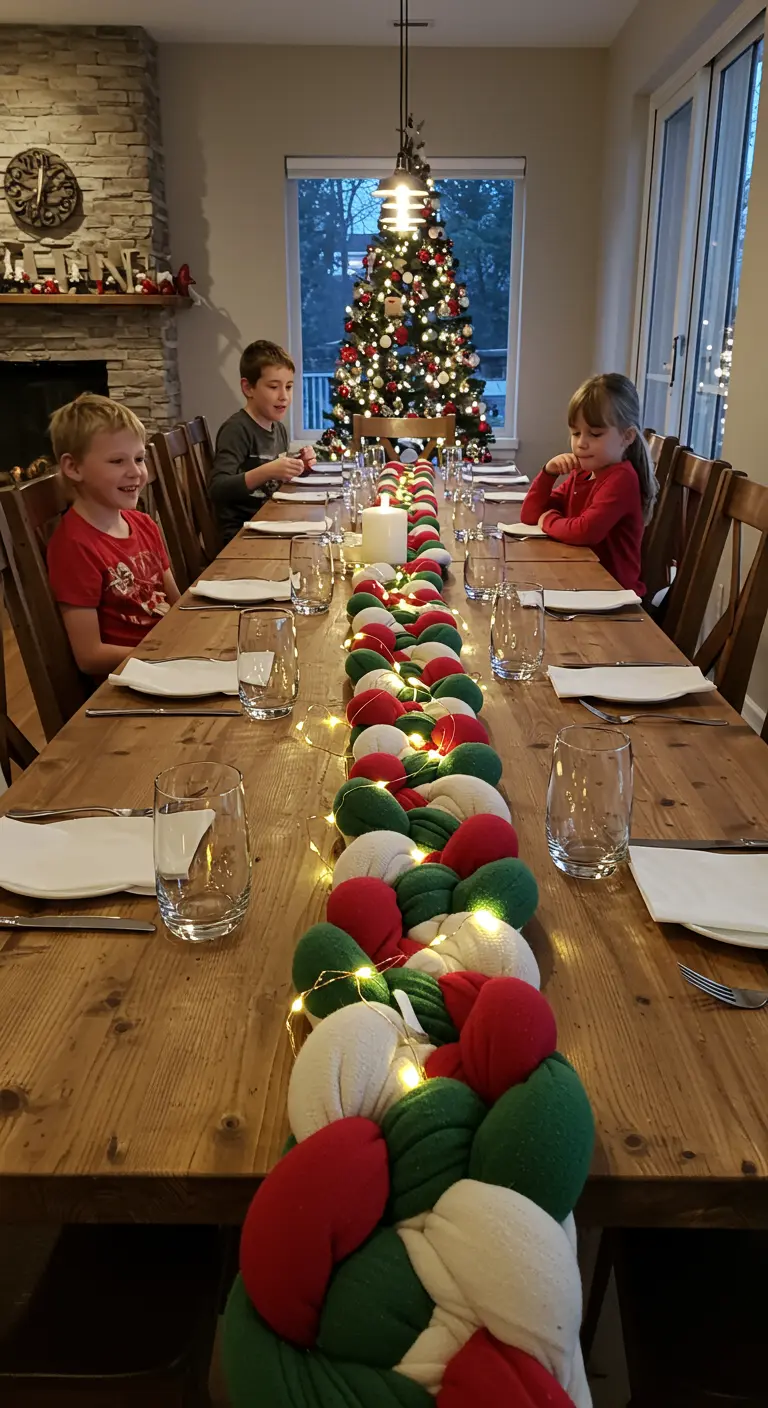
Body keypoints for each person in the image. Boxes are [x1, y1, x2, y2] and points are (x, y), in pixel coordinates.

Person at [47, 393, 180, 677]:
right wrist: (166, 652)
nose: (136, 472)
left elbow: (176, 604)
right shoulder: (75, 546)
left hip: (170, 657)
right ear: (73, 467)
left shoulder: (144, 524)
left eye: (139, 458)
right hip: (133, 680)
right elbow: (90, 656)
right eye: (117, 461)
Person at [520, 373, 657, 595]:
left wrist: (548, 519)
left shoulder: (622, 479)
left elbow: (585, 531)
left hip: (614, 593)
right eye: (575, 433)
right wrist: (548, 474)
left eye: (594, 434)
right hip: (584, 583)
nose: (581, 443)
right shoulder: (583, 473)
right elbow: (529, 515)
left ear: (627, 437)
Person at [210, 340, 316, 540]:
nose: (284, 396)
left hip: (270, 523)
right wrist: (267, 471)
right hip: (241, 535)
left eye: (289, 387)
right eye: (274, 387)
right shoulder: (237, 429)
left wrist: (299, 466)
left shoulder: (279, 429)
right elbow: (218, 489)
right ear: (248, 388)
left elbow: (275, 481)